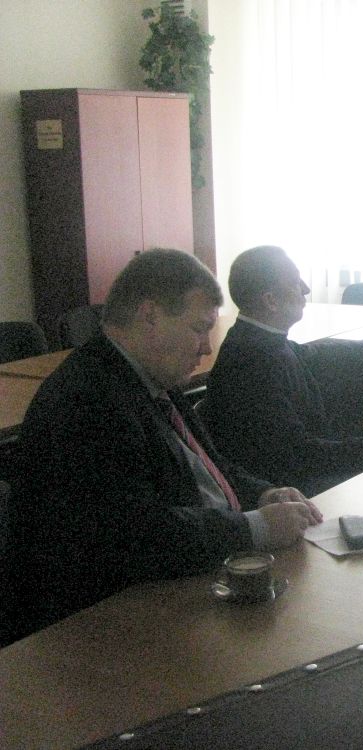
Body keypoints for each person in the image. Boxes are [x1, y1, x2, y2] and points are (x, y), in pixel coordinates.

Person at [8, 249, 322, 640]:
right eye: (199, 328)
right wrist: (253, 528)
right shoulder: (86, 400)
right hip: (97, 625)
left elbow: (213, 468)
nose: (206, 348)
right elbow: (137, 535)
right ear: (150, 316)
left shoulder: (151, 378)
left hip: (176, 583)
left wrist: (264, 494)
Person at [202, 246, 363, 496]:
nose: (305, 288)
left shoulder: (257, 339)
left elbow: (312, 354)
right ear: (271, 301)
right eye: (295, 282)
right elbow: (300, 457)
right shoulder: (251, 365)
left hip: (305, 477)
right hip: (294, 494)